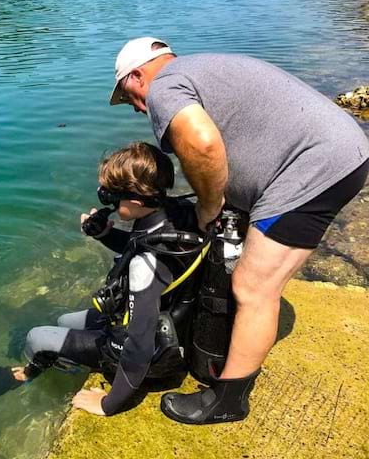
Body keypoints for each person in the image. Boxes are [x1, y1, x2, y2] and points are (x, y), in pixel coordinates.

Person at [109, 37, 369, 424]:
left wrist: (209, 206)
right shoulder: (202, 66)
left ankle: (228, 400)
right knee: (252, 275)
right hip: (344, 151)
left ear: (136, 75)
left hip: (313, 168)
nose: (134, 107)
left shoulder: (164, 87)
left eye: (127, 95)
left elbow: (203, 144)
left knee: (253, 285)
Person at [8, 142, 202, 416]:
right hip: (171, 320)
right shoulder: (174, 215)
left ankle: (28, 375)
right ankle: (72, 359)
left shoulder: (144, 267)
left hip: (155, 353)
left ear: (135, 202)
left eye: (111, 196)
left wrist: (108, 403)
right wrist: (105, 235)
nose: (107, 201)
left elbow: (139, 344)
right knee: (64, 321)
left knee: (36, 338)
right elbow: (140, 244)